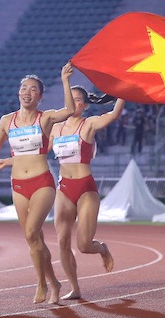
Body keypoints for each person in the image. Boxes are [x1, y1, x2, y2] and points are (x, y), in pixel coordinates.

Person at [0, 63, 75, 304]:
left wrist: (64, 80)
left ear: (40, 96)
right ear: (18, 92)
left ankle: (41, 283)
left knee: (31, 232)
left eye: (33, 89)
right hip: (18, 185)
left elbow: (69, 110)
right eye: (24, 88)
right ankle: (54, 282)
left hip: (42, 182)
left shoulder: (45, 118)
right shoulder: (7, 121)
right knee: (33, 239)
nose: (27, 92)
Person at [50, 87, 124, 300]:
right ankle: (75, 288)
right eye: (70, 99)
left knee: (83, 245)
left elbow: (113, 115)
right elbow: (35, 152)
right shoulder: (55, 128)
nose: (73, 103)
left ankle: (102, 249)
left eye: (77, 100)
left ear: (84, 105)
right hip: (64, 188)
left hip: (85, 189)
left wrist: (124, 93)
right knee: (62, 241)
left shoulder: (88, 124)